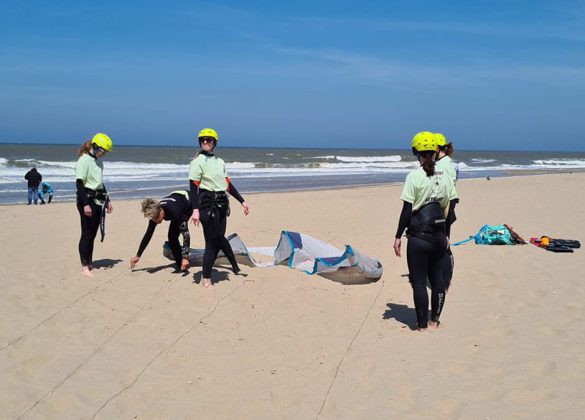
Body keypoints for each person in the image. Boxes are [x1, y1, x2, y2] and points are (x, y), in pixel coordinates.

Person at [393, 131, 455, 331]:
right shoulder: (445, 175)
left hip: (419, 237)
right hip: (438, 234)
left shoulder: (414, 176)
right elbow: (448, 206)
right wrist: (445, 233)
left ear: (414, 152)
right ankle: (434, 322)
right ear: (436, 151)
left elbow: (407, 210)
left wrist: (397, 236)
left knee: (419, 281)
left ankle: (421, 326)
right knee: (437, 278)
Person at [189, 128, 250, 289]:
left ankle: (211, 270)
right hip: (206, 206)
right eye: (203, 140)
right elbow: (193, 187)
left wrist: (242, 201)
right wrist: (195, 210)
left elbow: (227, 185)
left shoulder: (220, 162)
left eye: (209, 140)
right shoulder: (197, 162)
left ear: (214, 142)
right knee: (211, 242)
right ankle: (206, 278)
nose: (205, 142)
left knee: (218, 239)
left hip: (222, 205)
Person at [75, 133, 113, 277]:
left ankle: (90, 262)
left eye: (105, 152)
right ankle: (84, 265)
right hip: (86, 200)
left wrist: (108, 200)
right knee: (86, 233)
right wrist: (85, 205)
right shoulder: (84, 160)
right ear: (95, 146)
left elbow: (100, 184)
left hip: (98, 200)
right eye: (103, 150)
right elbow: (79, 184)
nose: (103, 154)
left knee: (93, 233)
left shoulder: (99, 162)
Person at [130, 191, 193, 272]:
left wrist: (185, 257)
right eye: (153, 219)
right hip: (176, 196)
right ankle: (180, 264)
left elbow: (186, 234)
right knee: (172, 237)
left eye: (156, 218)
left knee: (175, 233)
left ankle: (183, 261)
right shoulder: (154, 214)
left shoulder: (175, 211)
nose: (155, 221)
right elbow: (148, 235)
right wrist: (138, 255)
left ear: (161, 210)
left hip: (188, 202)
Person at [434, 133, 459, 291]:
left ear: (436, 149)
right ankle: (445, 277)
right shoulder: (451, 163)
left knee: (442, 242)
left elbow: (441, 187)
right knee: (445, 239)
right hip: (452, 200)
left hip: (445, 203)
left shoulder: (441, 165)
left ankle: (444, 279)